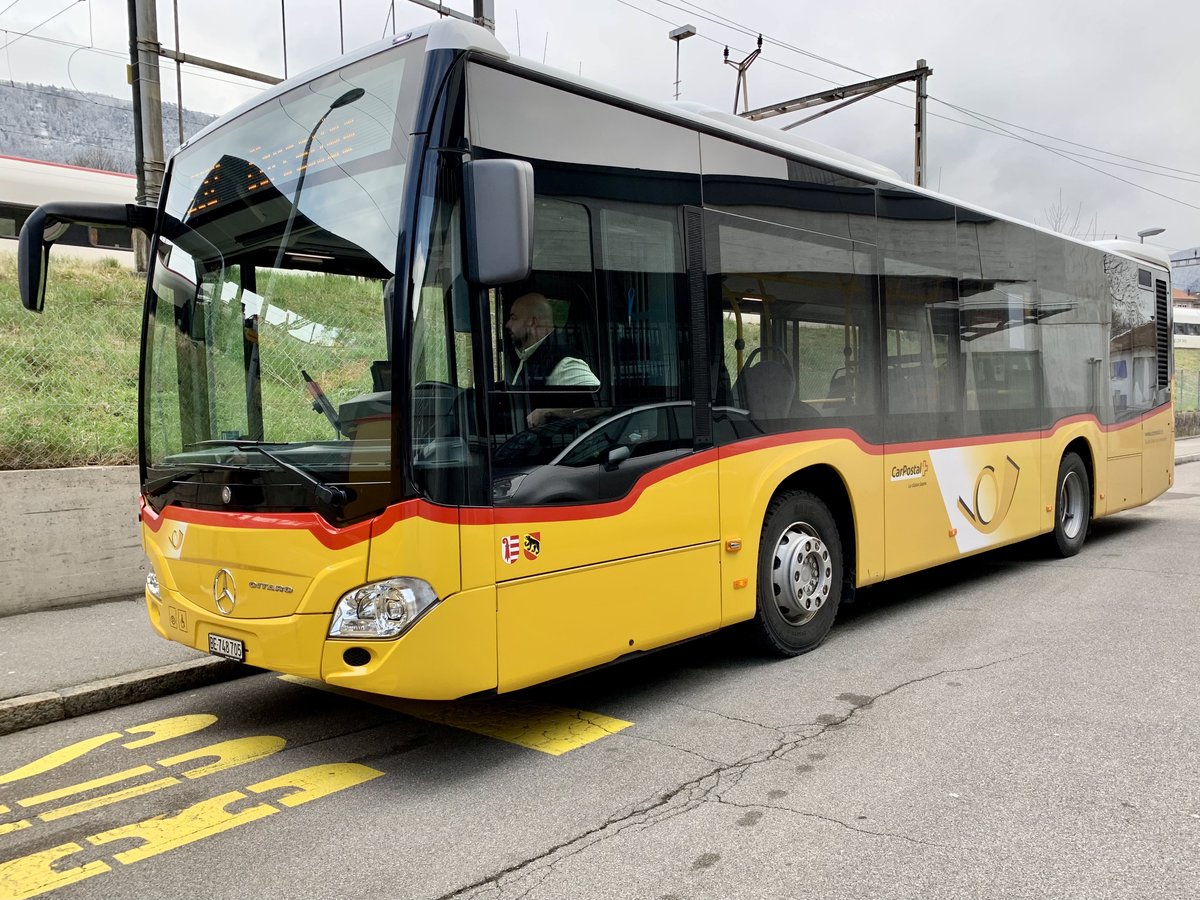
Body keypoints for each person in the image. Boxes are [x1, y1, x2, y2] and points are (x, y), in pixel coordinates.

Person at [504, 291, 599, 427]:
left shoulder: (566, 363)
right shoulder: (526, 356)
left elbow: (600, 408)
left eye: (514, 318)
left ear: (532, 322)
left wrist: (549, 411)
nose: (507, 324)